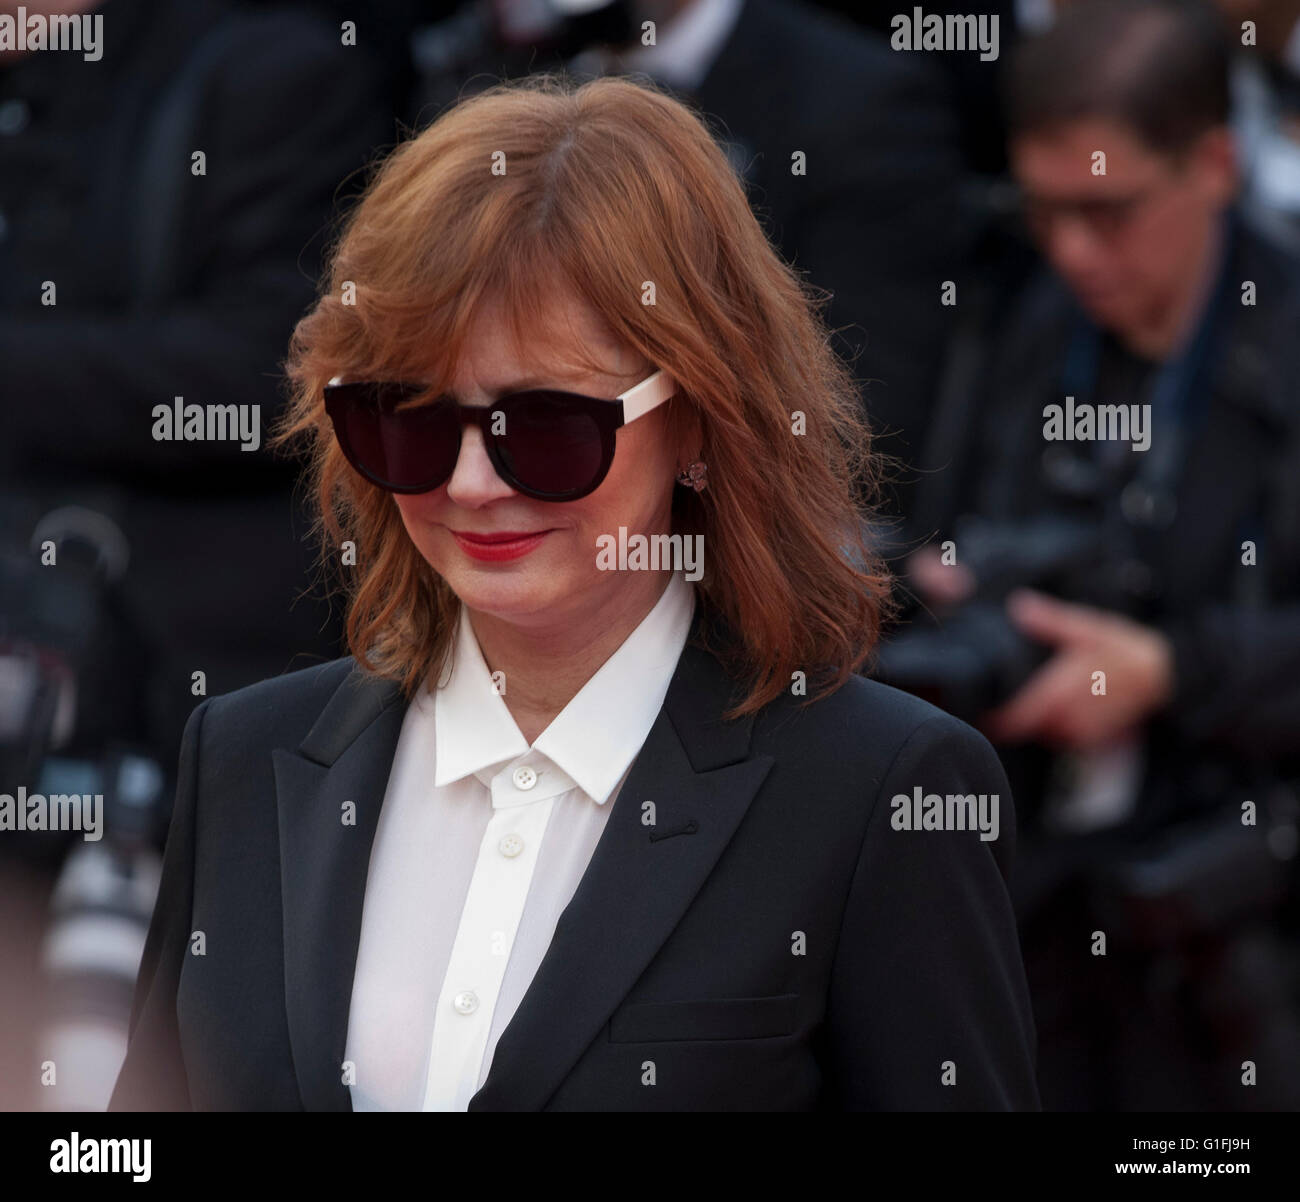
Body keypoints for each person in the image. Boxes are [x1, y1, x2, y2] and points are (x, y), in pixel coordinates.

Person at [108, 73, 1039, 1112]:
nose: (470, 483)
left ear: (696, 420)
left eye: (545, 426)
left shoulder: (877, 793)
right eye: (406, 420)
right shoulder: (238, 758)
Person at [895, 0, 1300, 1109]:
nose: (1074, 250)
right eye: (1046, 212)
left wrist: (1169, 669)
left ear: (1215, 163)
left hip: (1234, 931)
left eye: (1108, 210)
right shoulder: (1016, 323)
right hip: (1034, 911)